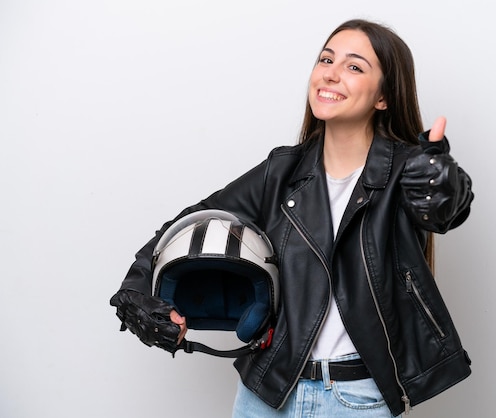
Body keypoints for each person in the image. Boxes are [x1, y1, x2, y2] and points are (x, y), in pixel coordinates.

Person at [110, 18, 474, 417]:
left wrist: (438, 181)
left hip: (357, 400)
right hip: (267, 394)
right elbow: (186, 226)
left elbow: (443, 209)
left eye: (354, 67)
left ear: (383, 97)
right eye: (326, 59)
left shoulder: (408, 173)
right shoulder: (280, 172)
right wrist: (138, 292)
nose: (331, 74)